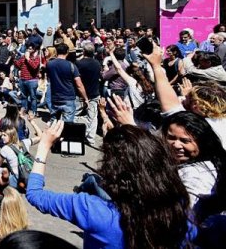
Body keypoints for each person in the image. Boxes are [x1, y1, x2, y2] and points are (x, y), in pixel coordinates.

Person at [27, 121, 196, 248]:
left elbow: (35, 194)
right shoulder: (179, 209)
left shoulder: (93, 209)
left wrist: (43, 146)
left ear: (110, 166)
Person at [46, 43, 88, 122]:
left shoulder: (49, 64)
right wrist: (85, 98)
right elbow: (79, 84)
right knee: (67, 125)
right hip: (68, 97)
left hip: (55, 97)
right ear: (67, 52)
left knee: (54, 122)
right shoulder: (71, 65)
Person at [75, 42, 102, 145]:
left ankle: (75, 136)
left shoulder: (79, 63)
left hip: (80, 94)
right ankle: (90, 138)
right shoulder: (97, 63)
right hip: (94, 93)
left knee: (75, 115)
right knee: (93, 116)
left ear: (84, 51)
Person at [14, 43, 40, 119]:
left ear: (34, 50)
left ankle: (34, 112)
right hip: (22, 79)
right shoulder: (23, 57)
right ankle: (24, 110)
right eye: (28, 48)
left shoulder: (36, 58)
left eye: (30, 49)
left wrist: (28, 58)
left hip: (32, 80)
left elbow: (34, 67)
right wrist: (14, 58)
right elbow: (18, 65)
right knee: (23, 97)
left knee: (33, 97)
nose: (28, 50)